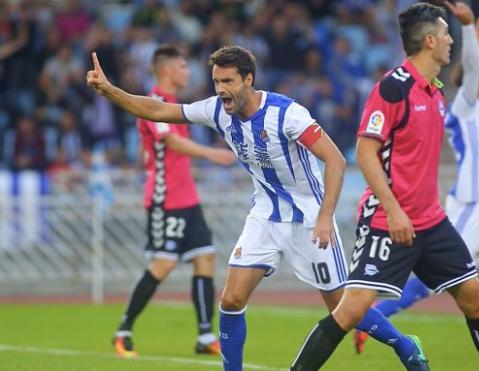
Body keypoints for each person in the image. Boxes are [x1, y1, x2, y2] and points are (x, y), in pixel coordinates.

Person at [87, 45, 428, 371]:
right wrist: (110, 91)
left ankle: (405, 345)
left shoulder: (287, 114)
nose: (220, 89)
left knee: (343, 308)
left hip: (309, 218)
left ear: (249, 80)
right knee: (232, 299)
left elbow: (335, 160)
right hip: (265, 214)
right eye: (217, 81)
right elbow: (160, 110)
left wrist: (325, 216)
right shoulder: (217, 110)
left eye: (228, 81)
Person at [289, 3, 479, 371]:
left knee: (476, 298)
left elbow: (471, 73)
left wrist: (473, 37)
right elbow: (365, 150)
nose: (448, 41)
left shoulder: (435, 91)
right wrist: (393, 209)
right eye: (444, 34)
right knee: (353, 309)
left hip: (431, 220)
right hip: (387, 221)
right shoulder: (393, 88)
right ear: (428, 41)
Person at [353, 1, 479, 359]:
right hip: (471, 205)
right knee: (440, 284)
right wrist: (470, 32)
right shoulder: (466, 106)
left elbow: (475, 69)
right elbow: (472, 71)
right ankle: (377, 318)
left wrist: (477, 44)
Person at [111, 45, 236, 358]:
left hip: (187, 196)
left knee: (205, 258)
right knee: (163, 264)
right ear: (168, 71)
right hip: (165, 198)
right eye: (183, 66)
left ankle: (205, 335)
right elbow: (171, 140)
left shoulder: (176, 105)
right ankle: (124, 330)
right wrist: (212, 154)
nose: (188, 70)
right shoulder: (154, 103)